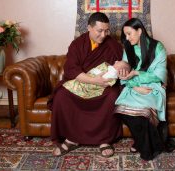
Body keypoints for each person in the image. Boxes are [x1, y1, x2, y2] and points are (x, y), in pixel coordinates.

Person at [48, 12, 124, 158]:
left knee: (113, 95)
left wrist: (115, 73)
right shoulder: (77, 44)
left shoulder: (113, 45)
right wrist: (94, 80)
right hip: (83, 82)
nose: (103, 35)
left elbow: (121, 65)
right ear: (89, 28)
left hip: (103, 86)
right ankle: (71, 139)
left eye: (106, 30)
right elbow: (71, 69)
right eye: (99, 31)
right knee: (62, 95)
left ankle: (104, 140)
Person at [115, 18, 173, 160]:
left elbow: (158, 76)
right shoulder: (128, 48)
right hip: (133, 86)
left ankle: (145, 148)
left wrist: (136, 73)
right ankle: (142, 142)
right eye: (125, 35)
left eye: (129, 34)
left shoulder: (157, 47)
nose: (127, 38)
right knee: (123, 111)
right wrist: (134, 85)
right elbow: (124, 76)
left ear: (139, 31)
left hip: (153, 87)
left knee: (144, 114)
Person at [63, 60, 131, 99]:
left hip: (99, 85)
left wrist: (122, 76)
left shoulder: (113, 72)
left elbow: (106, 78)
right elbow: (72, 67)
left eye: (118, 62)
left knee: (112, 96)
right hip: (84, 76)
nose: (116, 61)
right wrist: (91, 78)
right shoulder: (78, 44)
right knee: (61, 94)